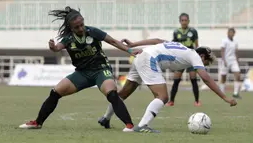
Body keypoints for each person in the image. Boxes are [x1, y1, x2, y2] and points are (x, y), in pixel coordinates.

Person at [18, 6, 142, 132]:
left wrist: (130, 50)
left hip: (101, 70)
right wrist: (53, 47)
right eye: (77, 27)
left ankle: (129, 126)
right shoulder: (68, 38)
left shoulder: (93, 32)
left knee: (112, 94)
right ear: (71, 28)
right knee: (55, 92)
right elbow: (57, 48)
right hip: (82, 73)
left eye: (82, 25)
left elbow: (113, 42)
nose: (81, 28)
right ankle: (37, 122)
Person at [98, 38, 237, 133]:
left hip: (140, 56)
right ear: (202, 56)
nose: (203, 66)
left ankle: (106, 118)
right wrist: (225, 97)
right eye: (205, 63)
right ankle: (143, 125)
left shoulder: (181, 47)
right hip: (149, 59)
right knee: (163, 96)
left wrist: (134, 44)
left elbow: (157, 41)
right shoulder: (194, 55)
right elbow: (206, 78)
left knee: (122, 94)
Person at [167, 13, 200, 106]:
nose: (184, 22)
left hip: (190, 58)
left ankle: (197, 101)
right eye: (182, 20)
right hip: (180, 58)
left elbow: (197, 45)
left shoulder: (193, 31)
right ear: (180, 21)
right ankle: (171, 101)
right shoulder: (176, 32)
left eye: (186, 20)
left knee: (193, 79)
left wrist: (196, 56)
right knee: (176, 80)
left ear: (188, 21)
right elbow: (174, 45)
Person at [219, 28, 242, 99]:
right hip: (226, 60)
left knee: (238, 75)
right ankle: (222, 93)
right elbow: (222, 51)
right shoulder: (224, 41)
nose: (230, 33)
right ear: (227, 33)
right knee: (223, 77)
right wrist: (224, 60)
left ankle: (235, 93)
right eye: (229, 32)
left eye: (232, 32)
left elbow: (236, 52)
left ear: (234, 34)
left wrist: (237, 61)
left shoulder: (235, 42)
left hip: (233, 61)